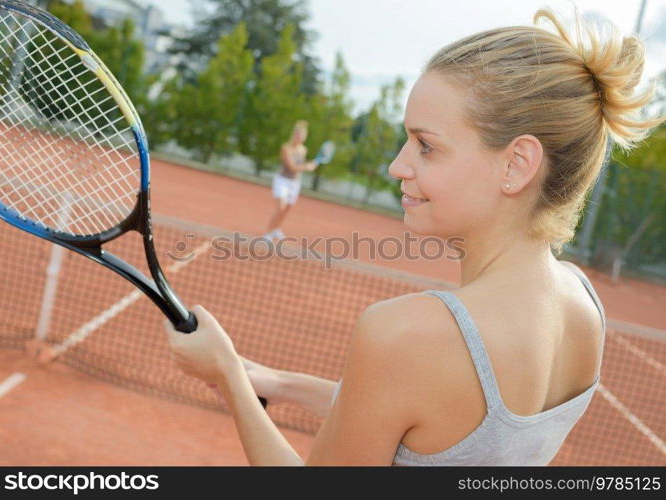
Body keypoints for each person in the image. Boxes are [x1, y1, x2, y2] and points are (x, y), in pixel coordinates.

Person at [165, 8, 664, 465]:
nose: (397, 164)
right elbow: (429, 418)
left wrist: (228, 378)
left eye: (426, 146)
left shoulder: (407, 334)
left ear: (517, 164)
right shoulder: (583, 305)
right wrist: (279, 383)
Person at [262, 120, 318, 241]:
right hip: (282, 180)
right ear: (293, 134)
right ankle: (268, 233)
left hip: (295, 183)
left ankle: (276, 228)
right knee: (280, 207)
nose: (299, 137)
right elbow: (292, 167)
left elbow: (299, 167)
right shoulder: (286, 148)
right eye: (297, 134)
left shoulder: (303, 150)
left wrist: (309, 165)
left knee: (287, 209)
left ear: (305, 137)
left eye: (302, 135)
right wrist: (307, 167)